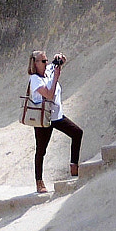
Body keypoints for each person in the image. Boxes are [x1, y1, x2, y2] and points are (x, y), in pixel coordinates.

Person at [27, 51, 83, 193]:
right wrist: (56, 78)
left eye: (47, 60)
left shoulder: (49, 70)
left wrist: (59, 59)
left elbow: (61, 61)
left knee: (77, 133)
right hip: (43, 118)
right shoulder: (35, 79)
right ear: (35, 63)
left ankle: (74, 165)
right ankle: (39, 181)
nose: (47, 64)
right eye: (43, 61)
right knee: (41, 150)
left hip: (57, 116)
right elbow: (49, 95)